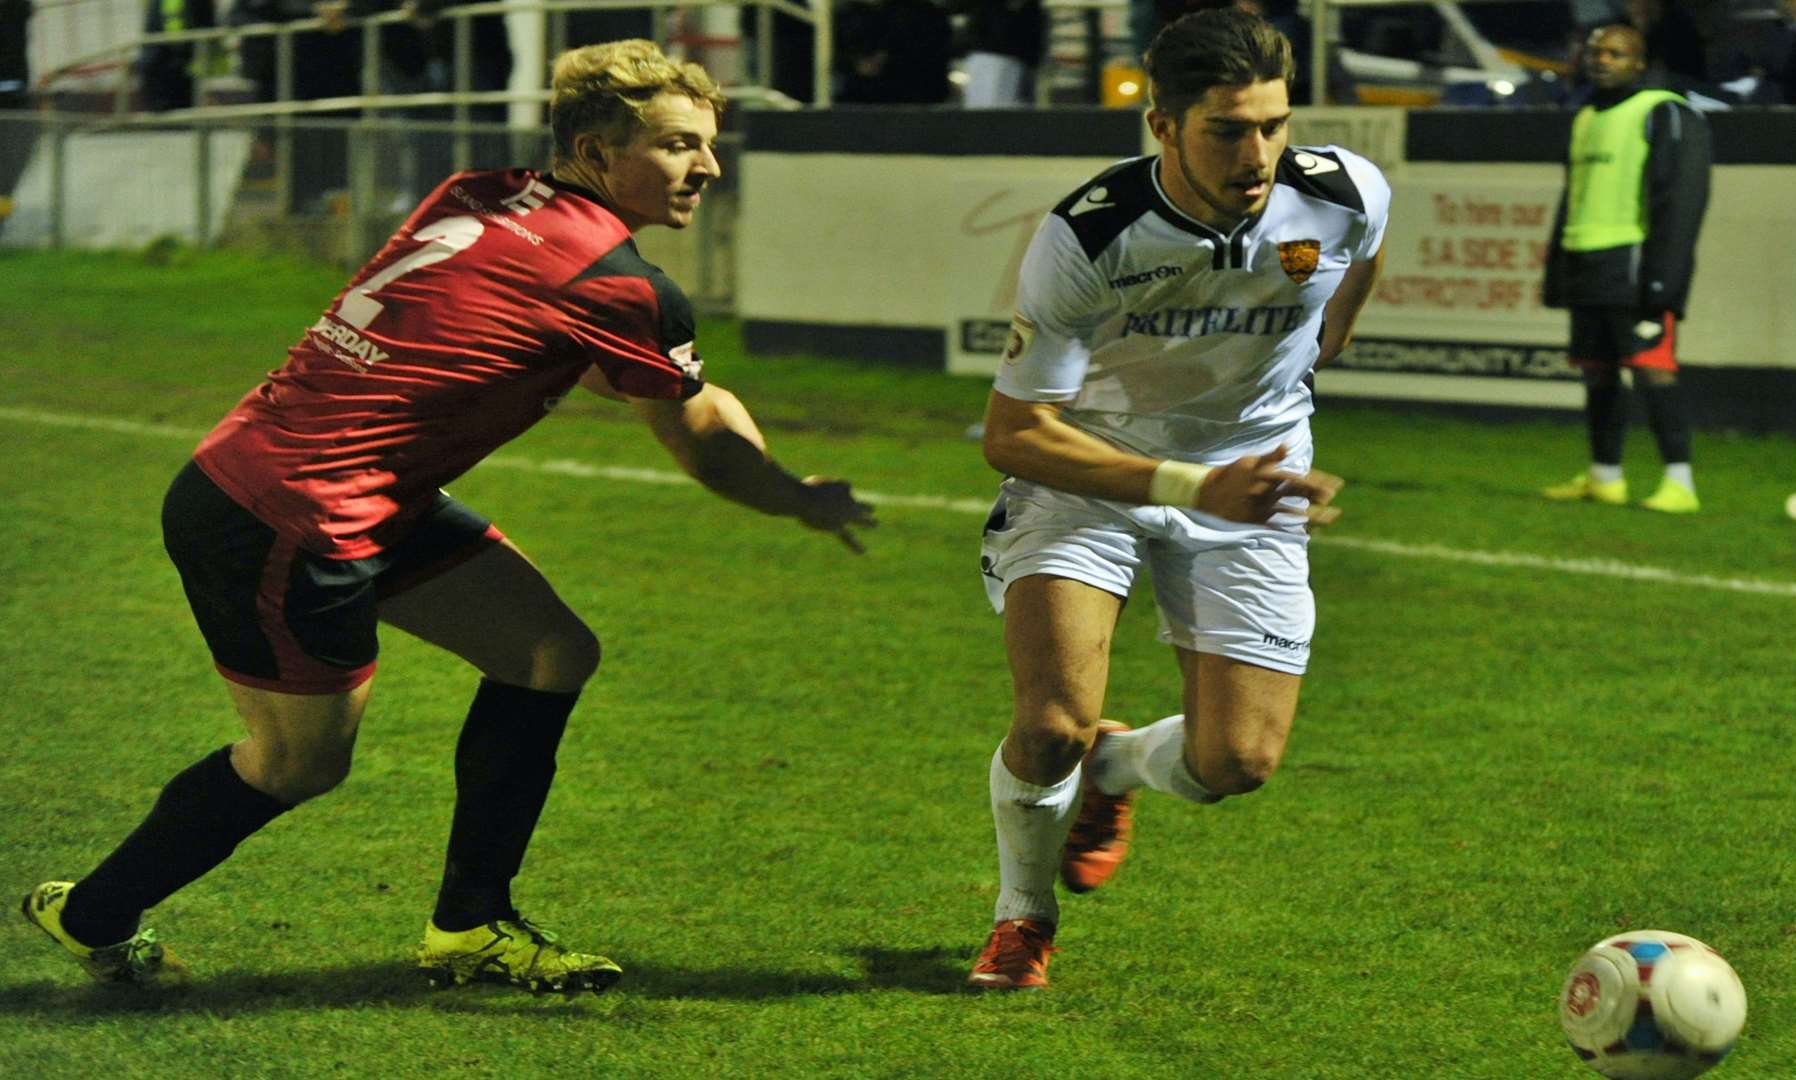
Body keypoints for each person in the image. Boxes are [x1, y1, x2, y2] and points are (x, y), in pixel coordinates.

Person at [21, 38, 875, 994]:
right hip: (290, 515)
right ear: (594, 153)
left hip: (345, 489)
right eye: (680, 145)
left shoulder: (475, 192)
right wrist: (797, 497)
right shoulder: (622, 284)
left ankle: (471, 928)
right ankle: (88, 913)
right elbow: (701, 439)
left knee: (550, 651)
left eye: (709, 145)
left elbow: (558, 346)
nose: (708, 168)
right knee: (298, 764)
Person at [966, 7, 1384, 990]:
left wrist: (1321, 353)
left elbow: (1359, 259)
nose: (1259, 155)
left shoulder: (1345, 193)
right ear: (1162, 126)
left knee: (1235, 762)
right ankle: (1023, 916)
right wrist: (1200, 486)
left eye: (1274, 126)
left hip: (1254, 475)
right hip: (1090, 471)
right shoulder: (1090, 233)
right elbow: (1013, 433)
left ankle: (1114, 771)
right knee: (1049, 725)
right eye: (1228, 130)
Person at [1541, 25, 1711, 514]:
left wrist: (1665, 280)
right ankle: (1605, 476)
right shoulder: (1587, 114)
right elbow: (1572, 198)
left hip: (1634, 266)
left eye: (1615, 53)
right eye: (1595, 51)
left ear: (1639, 62)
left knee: (1653, 371)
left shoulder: (1663, 110)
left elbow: (1679, 201)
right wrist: (1558, 267)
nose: (1602, 60)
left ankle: (1680, 482)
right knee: (1598, 373)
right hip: (1586, 263)